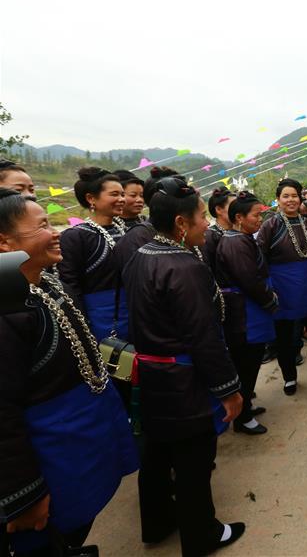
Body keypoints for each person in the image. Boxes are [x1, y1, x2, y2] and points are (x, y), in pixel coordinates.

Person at [0, 190, 138, 556]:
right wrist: (23, 494)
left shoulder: (42, 284)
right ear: (4, 242)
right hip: (50, 454)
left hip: (78, 439)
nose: (57, 231)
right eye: (43, 225)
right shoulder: (6, 308)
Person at [124, 176, 245, 556]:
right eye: (200, 217)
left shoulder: (140, 255)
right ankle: (201, 535)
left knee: (157, 455)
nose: (207, 224)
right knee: (194, 462)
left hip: (152, 373)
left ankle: (157, 523)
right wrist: (229, 389)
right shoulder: (184, 266)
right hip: (183, 379)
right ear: (181, 223)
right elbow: (204, 337)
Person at [257, 179, 307, 394]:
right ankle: (289, 378)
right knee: (285, 335)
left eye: (294, 195)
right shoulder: (270, 225)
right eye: (286, 196)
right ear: (277, 200)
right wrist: (268, 286)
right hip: (283, 286)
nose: (291, 200)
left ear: (300, 198)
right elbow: (261, 258)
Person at [216, 191, 277, 435]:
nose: (260, 220)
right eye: (256, 215)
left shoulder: (242, 238)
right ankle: (242, 418)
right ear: (239, 217)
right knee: (246, 362)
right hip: (245, 310)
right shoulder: (234, 242)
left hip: (250, 307)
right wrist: (270, 300)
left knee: (251, 360)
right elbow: (249, 280)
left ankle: (246, 406)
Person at [57, 167, 128, 343]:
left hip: (131, 312)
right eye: (114, 194)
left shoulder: (126, 230)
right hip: (99, 319)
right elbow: (70, 286)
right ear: (91, 198)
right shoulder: (76, 236)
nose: (122, 199)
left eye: (122, 194)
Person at [201, 186, 235, 276]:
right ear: (219, 209)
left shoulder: (239, 231)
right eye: (233, 206)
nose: (237, 210)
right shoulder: (209, 237)